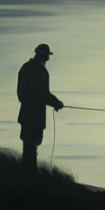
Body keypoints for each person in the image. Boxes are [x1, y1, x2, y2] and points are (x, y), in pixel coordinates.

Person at [16, 43, 64, 173]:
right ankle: (31, 173)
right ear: (46, 57)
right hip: (35, 115)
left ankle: (27, 172)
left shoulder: (25, 68)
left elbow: (20, 95)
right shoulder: (42, 71)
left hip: (25, 114)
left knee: (27, 145)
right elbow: (43, 95)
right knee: (34, 144)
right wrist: (57, 103)